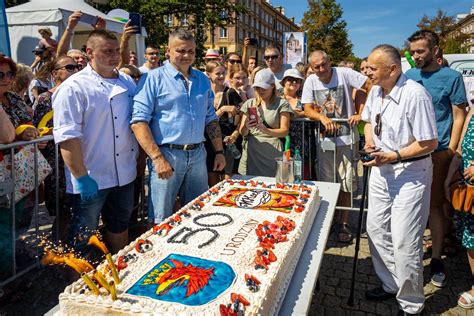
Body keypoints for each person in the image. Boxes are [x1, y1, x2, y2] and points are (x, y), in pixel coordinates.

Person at [361, 44, 438, 316]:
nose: (367, 71)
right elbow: (368, 121)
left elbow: (428, 142)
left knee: (405, 240)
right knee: (376, 230)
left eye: (372, 67)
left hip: (410, 174)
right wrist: (370, 142)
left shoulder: (415, 95)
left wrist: (394, 155)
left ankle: (412, 304)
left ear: (392, 69)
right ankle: (391, 283)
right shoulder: (375, 91)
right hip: (382, 171)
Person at [52, 30, 139, 254]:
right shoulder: (73, 88)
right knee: (81, 236)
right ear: (89, 52)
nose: (114, 56)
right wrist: (82, 178)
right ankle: (75, 284)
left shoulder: (128, 81)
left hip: (124, 174)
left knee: (120, 225)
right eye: (107, 51)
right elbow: (68, 138)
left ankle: (118, 269)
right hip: (92, 176)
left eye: (116, 51)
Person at [131, 29, 225, 224]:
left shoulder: (202, 79)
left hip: (198, 155)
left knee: (198, 214)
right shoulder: (152, 79)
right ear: (168, 51)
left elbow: (210, 118)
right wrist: (157, 158)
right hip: (167, 155)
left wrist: (219, 151)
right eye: (181, 51)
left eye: (191, 51)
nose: (186, 56)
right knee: (161, 219)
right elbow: (139, 122)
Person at [406, 30, 467, 288]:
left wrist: (451, 149)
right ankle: (411, 256)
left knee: (435, 207)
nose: (415, 56)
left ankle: (437, 258)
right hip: (410, 153)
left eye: (420, 51)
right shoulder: (408, 77)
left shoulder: (451, 78)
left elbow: (459, 115)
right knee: (413, 208)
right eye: (413, 51)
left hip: (439, 151)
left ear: (435, 50)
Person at [302, 50, 368, 243]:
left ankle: (344, 222)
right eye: (317, 67)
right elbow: (307, 108)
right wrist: (322, 117)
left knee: (346, 183)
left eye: (324, 64)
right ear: (312, 68)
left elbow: (368, 86)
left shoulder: (344, 73)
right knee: (327, 183)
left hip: (347, 139)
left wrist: (360, 111)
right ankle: (329, 220)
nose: (322, 69)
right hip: (324, 141)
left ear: (329, 61)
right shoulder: (311, 81)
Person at [0, 56, 42, 278]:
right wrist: (20, 134)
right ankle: (7, 275)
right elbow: (7, 135)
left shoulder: (14, 100)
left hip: (21, 169)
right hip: (3, 171)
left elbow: (26, 122)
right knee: (4, 224)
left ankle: (16, 265)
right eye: (0, 74)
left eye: (9, 74)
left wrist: (32, 133)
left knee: (19, 219)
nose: (6, 79)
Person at [444, 106, 474, 310]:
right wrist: (448, 178)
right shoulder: (473, 110)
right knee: (471, 238)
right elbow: (461, 149)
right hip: (469, 190)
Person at [238, 69, 291, 177]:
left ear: (272, 86)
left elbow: (284, 131)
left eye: (264, 87)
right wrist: (246, 127)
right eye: (258, 87)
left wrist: (265, 130)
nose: (261, 91)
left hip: (273, 153)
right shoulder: (249, 103)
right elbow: (242, 132)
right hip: (251, 153)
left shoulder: (282, 103)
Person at [205, 61, 242, 185]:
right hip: (208, 142)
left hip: (228, 142)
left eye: (223, 73)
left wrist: (236, 134)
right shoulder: (204, 93)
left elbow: (243, 116)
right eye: (217, 73)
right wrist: (222, 110)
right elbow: (204, 120)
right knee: (213, 182)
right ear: (209, 74)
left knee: (228, 181)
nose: (221, 76)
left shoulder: (230, 92)